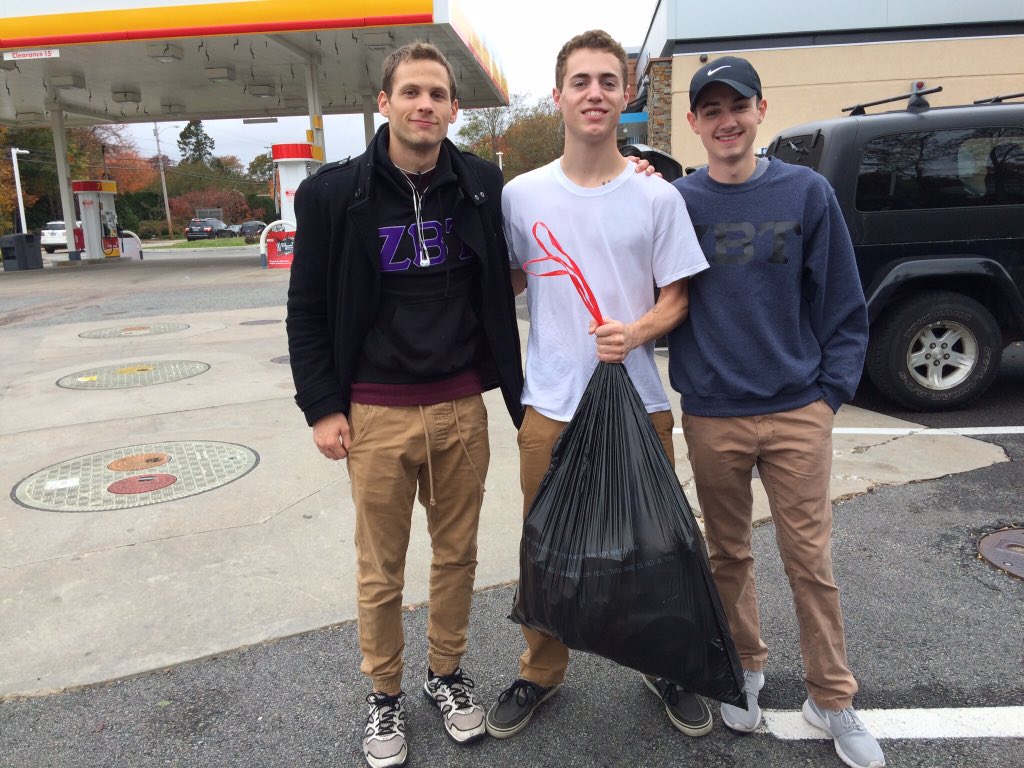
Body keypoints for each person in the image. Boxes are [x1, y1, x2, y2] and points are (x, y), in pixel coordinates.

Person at [286, 41, 524, 768]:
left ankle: (445, 675)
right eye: (412, 92)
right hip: (375, 413)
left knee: (457, 556)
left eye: (439, 94)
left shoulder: (484, 184)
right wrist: (323, 406)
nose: (426, 105)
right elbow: (307, 309)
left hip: (460, 406)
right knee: (379, 568)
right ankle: (383, 693)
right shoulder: (333, 195)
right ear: (384, 103)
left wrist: (635, 171)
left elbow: (539, 245)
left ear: (455, 108)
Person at [485, 29, 711, 741]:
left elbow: (679, 297)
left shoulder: (656, 196)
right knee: (547, 549)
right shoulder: (521, 197)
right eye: (580, 81)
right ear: (558, 96)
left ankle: (662, 661)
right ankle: (540, 669)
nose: (594, 93)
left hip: (639, 402)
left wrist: (637, 332)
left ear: (625, 95)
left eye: (607, 81)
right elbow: (502, 284)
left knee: (650, 546)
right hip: (551, 404)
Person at [668, 56, 886, 768]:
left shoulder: (807, 193)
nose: (726, 121)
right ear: (697, 122)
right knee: (727, 555)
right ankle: (745, 667)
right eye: (712, 110)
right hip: (713, 412)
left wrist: (828, 399)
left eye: (738, 106)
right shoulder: (679, 202)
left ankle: (831, 697)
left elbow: (844, 306)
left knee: (809, 560)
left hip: (797, 408)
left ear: (761, 109)